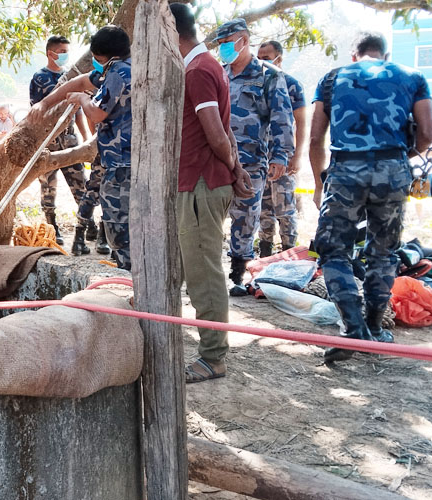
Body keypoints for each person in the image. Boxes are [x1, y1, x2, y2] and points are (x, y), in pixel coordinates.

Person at [309, 32, 432, 362]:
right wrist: (401, 159)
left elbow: (315, 140)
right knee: (382, 250)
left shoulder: (333, 78)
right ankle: (375, 329)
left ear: (355, 54)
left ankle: (353, 329)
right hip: (392, 171)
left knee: (333, 249)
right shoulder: (412, 77)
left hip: (345, 171)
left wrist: (319, 186)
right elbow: (427, 133)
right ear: (385, 54)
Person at [170, 4, 255, 382]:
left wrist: (234, 169)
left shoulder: (199, 69)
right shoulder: (206, 66)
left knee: (204, 273)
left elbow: (215, 132)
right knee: (195, 268)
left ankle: (213, 357)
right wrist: (234, 166)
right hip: (198, 181)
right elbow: (223, 128)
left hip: (202, 183)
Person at [30, 27, 131, 269]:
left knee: (120, 226)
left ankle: (127, 277)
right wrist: (46, 103)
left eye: (97, 58)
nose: (95, 63)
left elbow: (96, 112)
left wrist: (82, 99)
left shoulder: (118, 73)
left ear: (106, 56)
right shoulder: (125, 69)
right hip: (118, 160)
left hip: (122, 163)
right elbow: (82, 80)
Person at [212, 19, 294, 296]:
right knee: (212, 216)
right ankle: (210, 275)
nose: (223, 48)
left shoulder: (268, 75)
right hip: (218, 159)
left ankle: (238, 276)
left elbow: (283, 116)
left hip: (252, 160)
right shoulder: (219, 73)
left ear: (244, 40)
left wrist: (281, 155)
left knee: (246, 218)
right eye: (220, 44)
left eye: (227, 42)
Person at [28, 35, 89, 248]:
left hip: (70, 139)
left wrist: (84, 140)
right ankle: (52, 226)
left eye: (66, 51)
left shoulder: (71, 77)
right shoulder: (39, 78)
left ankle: (86, 225)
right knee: (48, 186)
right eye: (61, 51)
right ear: (50, 53)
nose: (65, 55)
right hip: (48, 140)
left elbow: (78, 111)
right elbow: (37, 112)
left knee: (80, 183)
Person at [257, 40, 307, 257]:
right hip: (259, 158)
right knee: (262, 211)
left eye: (266, 58)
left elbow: (302, 122)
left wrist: (297, 155)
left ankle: (289, 256)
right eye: (259, 58)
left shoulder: (291, 84)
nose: (261, 62)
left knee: (285, 210)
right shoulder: (254, 82)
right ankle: (265, 256)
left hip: (283, 157)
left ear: (279, 58)